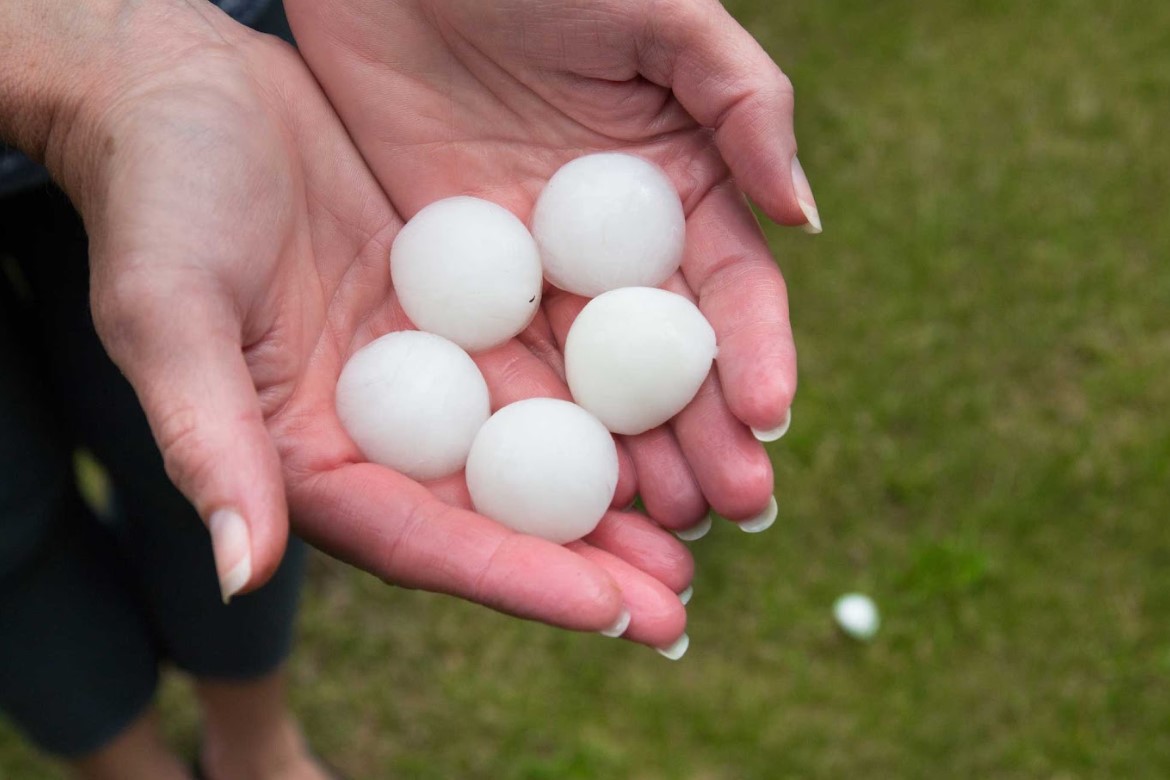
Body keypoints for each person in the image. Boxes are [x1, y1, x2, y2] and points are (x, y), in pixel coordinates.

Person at [0, 0, 818, 776]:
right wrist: (88, 66)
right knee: (12, 521)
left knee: (210, 480)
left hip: (218, 37)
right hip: (161, 84)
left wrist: (113, 52)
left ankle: (255, 746)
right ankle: (124, 766)